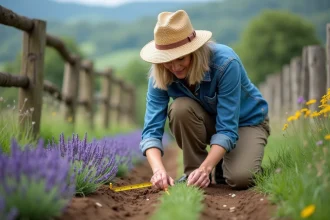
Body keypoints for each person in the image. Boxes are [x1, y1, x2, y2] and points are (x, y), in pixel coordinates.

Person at [139, 10, 270, 191]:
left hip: (246, 122)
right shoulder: (160, 74)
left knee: (241, 179)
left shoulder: (226, 63)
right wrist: (158, 170)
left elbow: (227, 128)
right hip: (208, 122)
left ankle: (219, 166)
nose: (175, 66)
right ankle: (195, 173)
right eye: (167, 60)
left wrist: (207, 165)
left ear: (194, 51)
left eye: (181, 58)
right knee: (180, 108)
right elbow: (151, 131)